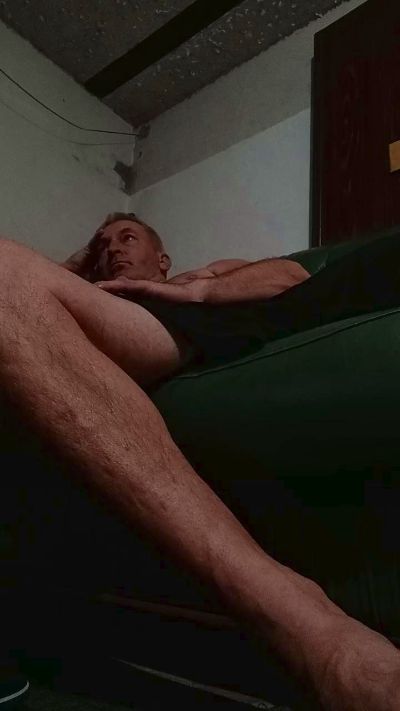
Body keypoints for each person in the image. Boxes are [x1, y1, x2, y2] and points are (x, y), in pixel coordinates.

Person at [1, 211, 400, 711]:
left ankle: (312, 634)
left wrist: (200, 288)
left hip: (174, 326)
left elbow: (292, 275)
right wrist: (81, 265)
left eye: (128, 237)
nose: (114, 248)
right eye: (104, 244)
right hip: (98, 325)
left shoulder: (203, 275)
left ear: (163, 259)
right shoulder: (92, 291)